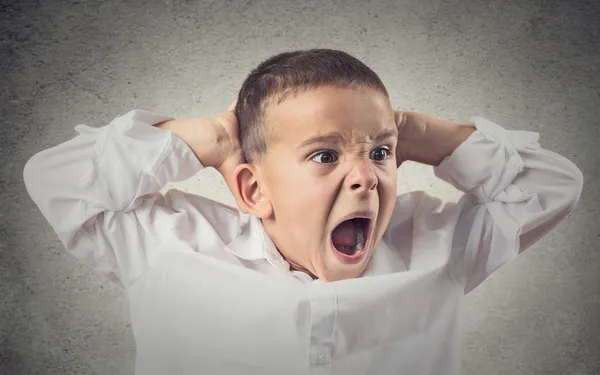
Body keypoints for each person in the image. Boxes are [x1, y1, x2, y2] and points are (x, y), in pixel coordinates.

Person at [23, 49, 583, 375]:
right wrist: (216, 136)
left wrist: (405, 127)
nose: (366, 176)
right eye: (325, 154)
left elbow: (553, 184)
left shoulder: (438, 247)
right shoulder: (169, 249)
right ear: (252, 190)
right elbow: (57, 178)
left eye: (381, 155)